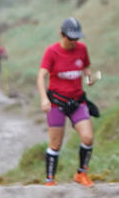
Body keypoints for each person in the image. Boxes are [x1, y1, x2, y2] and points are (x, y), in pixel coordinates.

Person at [37, 17, 96, 186]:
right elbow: (41, 76)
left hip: (77, 101)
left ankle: (81, 174)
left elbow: (86, 67)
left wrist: (89, 77)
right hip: (57, 103)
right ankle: (50, 180)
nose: (74, 42)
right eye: (70, 38)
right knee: (55, 143)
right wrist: (44, 98)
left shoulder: (82, 49)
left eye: (77, 38)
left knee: (88, 137)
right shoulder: (51, 52)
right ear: (61, 35)